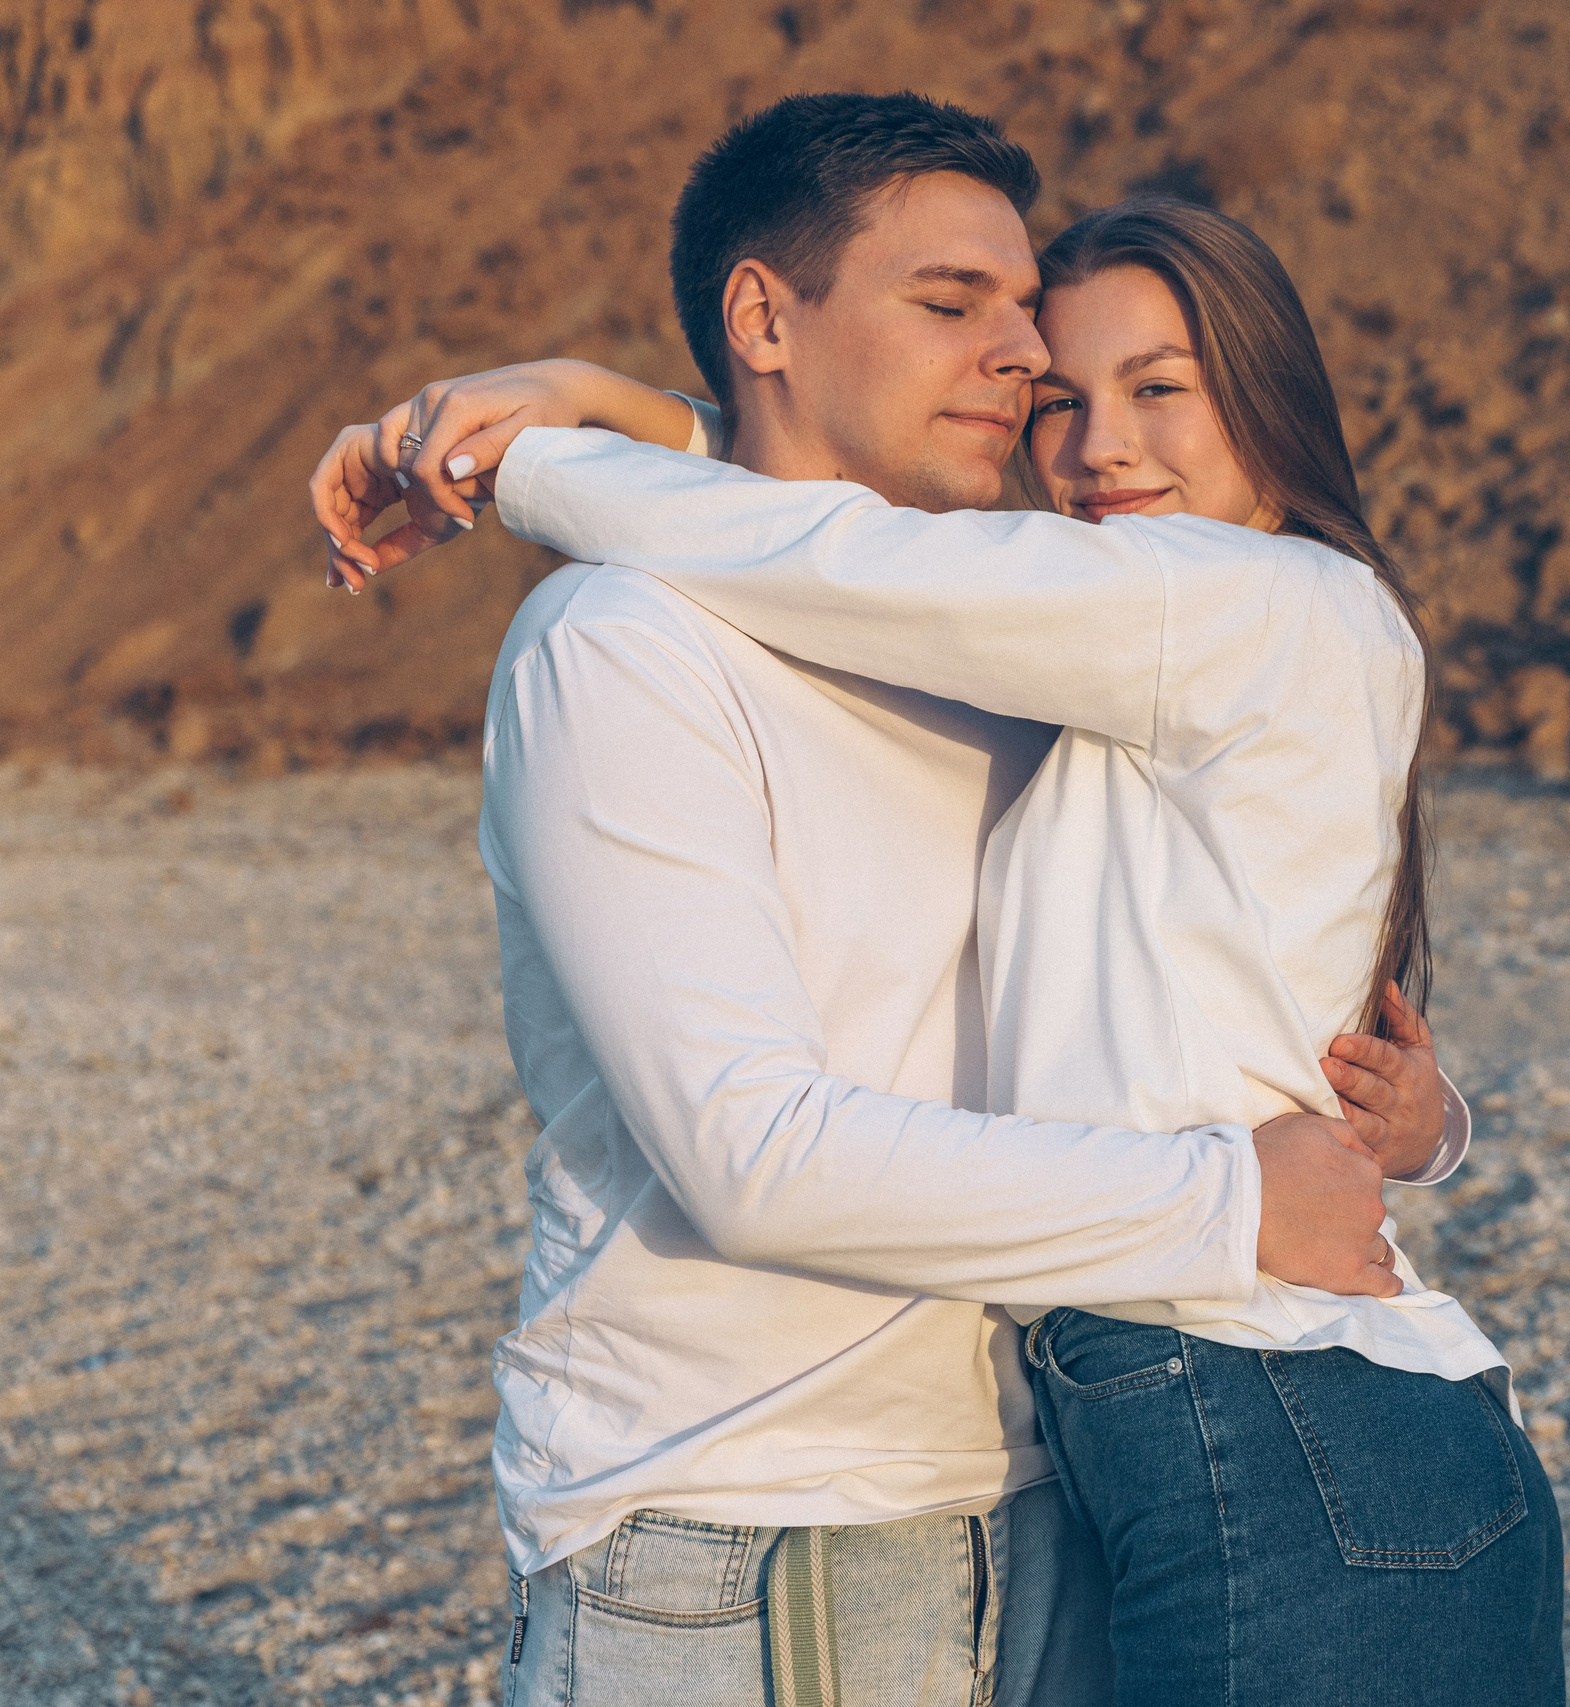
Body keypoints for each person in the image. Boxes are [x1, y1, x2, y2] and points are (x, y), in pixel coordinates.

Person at [308, 95, 1471, 1707]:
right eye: (952, 306)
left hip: (1044, 1494)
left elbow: (840, 562)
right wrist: (1232, 1200)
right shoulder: (626, 650)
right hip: (740, 1527)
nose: (1020, 362)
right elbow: (749, 1153)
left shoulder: (1038, 627)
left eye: (1030, 332)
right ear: (765, 316)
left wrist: (1415, 1115)